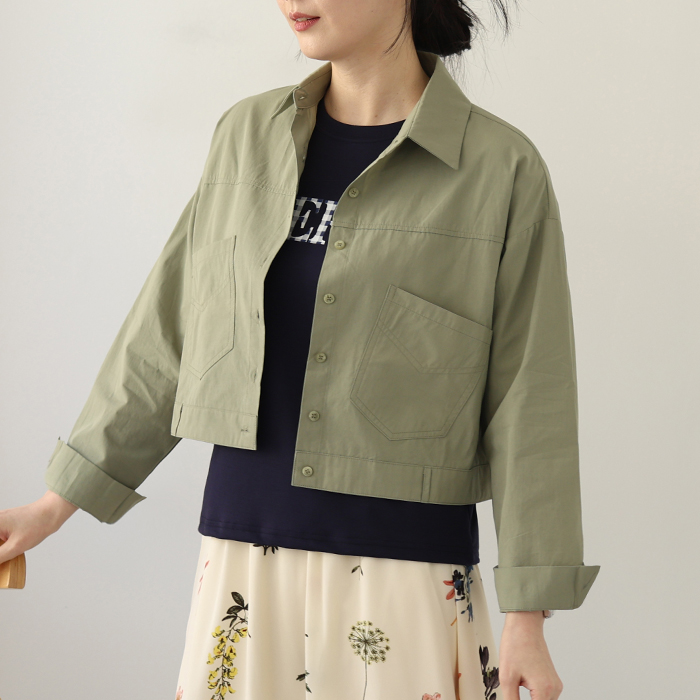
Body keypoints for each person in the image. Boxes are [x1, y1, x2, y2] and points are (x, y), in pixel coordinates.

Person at [0, 0, 601, 698]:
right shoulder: (246, 136)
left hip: (405, 573)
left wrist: (528, 615)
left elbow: (532, 397)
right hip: (243, 565)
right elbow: (168, 333)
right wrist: (54, 504)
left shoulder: (499, 168)